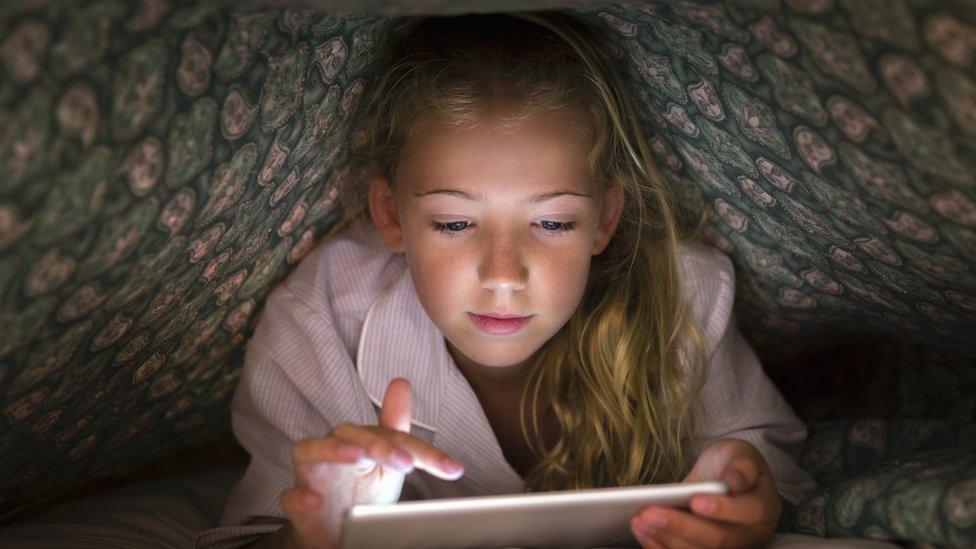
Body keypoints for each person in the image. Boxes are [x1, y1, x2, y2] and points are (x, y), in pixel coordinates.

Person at [195, 10, 816, 549]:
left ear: (605, 219)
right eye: (455, 222)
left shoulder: (682, 293)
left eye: (551, 223)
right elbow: (253, 537)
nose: (503, 276)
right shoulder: (323, 319)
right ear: (391, 216)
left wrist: (742, 495)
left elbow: (759, 462)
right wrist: (310, 538)